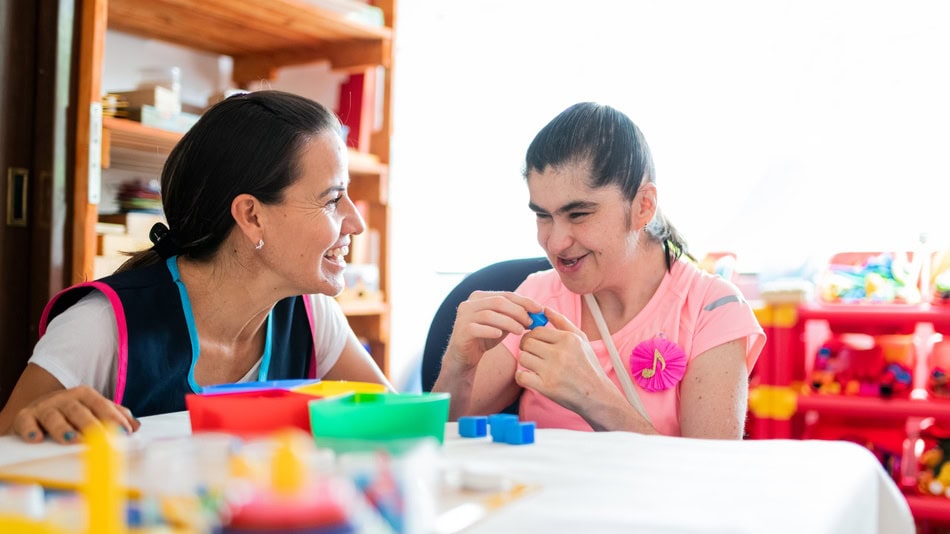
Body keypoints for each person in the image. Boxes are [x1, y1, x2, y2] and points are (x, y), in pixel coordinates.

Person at [0, 90, 393, 444]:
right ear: (252, 216)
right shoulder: (100, 326)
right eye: (331, 200)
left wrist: (456, 366)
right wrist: (34, 426)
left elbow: (395, 430)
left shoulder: (311, 314)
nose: (355, 222)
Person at [432, 102, 765, 439]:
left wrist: (594, 397)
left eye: (578, 214)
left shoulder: (712, 310)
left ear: (643, 206)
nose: (556, 243)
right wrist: (458, 366)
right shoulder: (537, 297)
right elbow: (436, 440)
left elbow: (709, 479)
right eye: (543, 216)